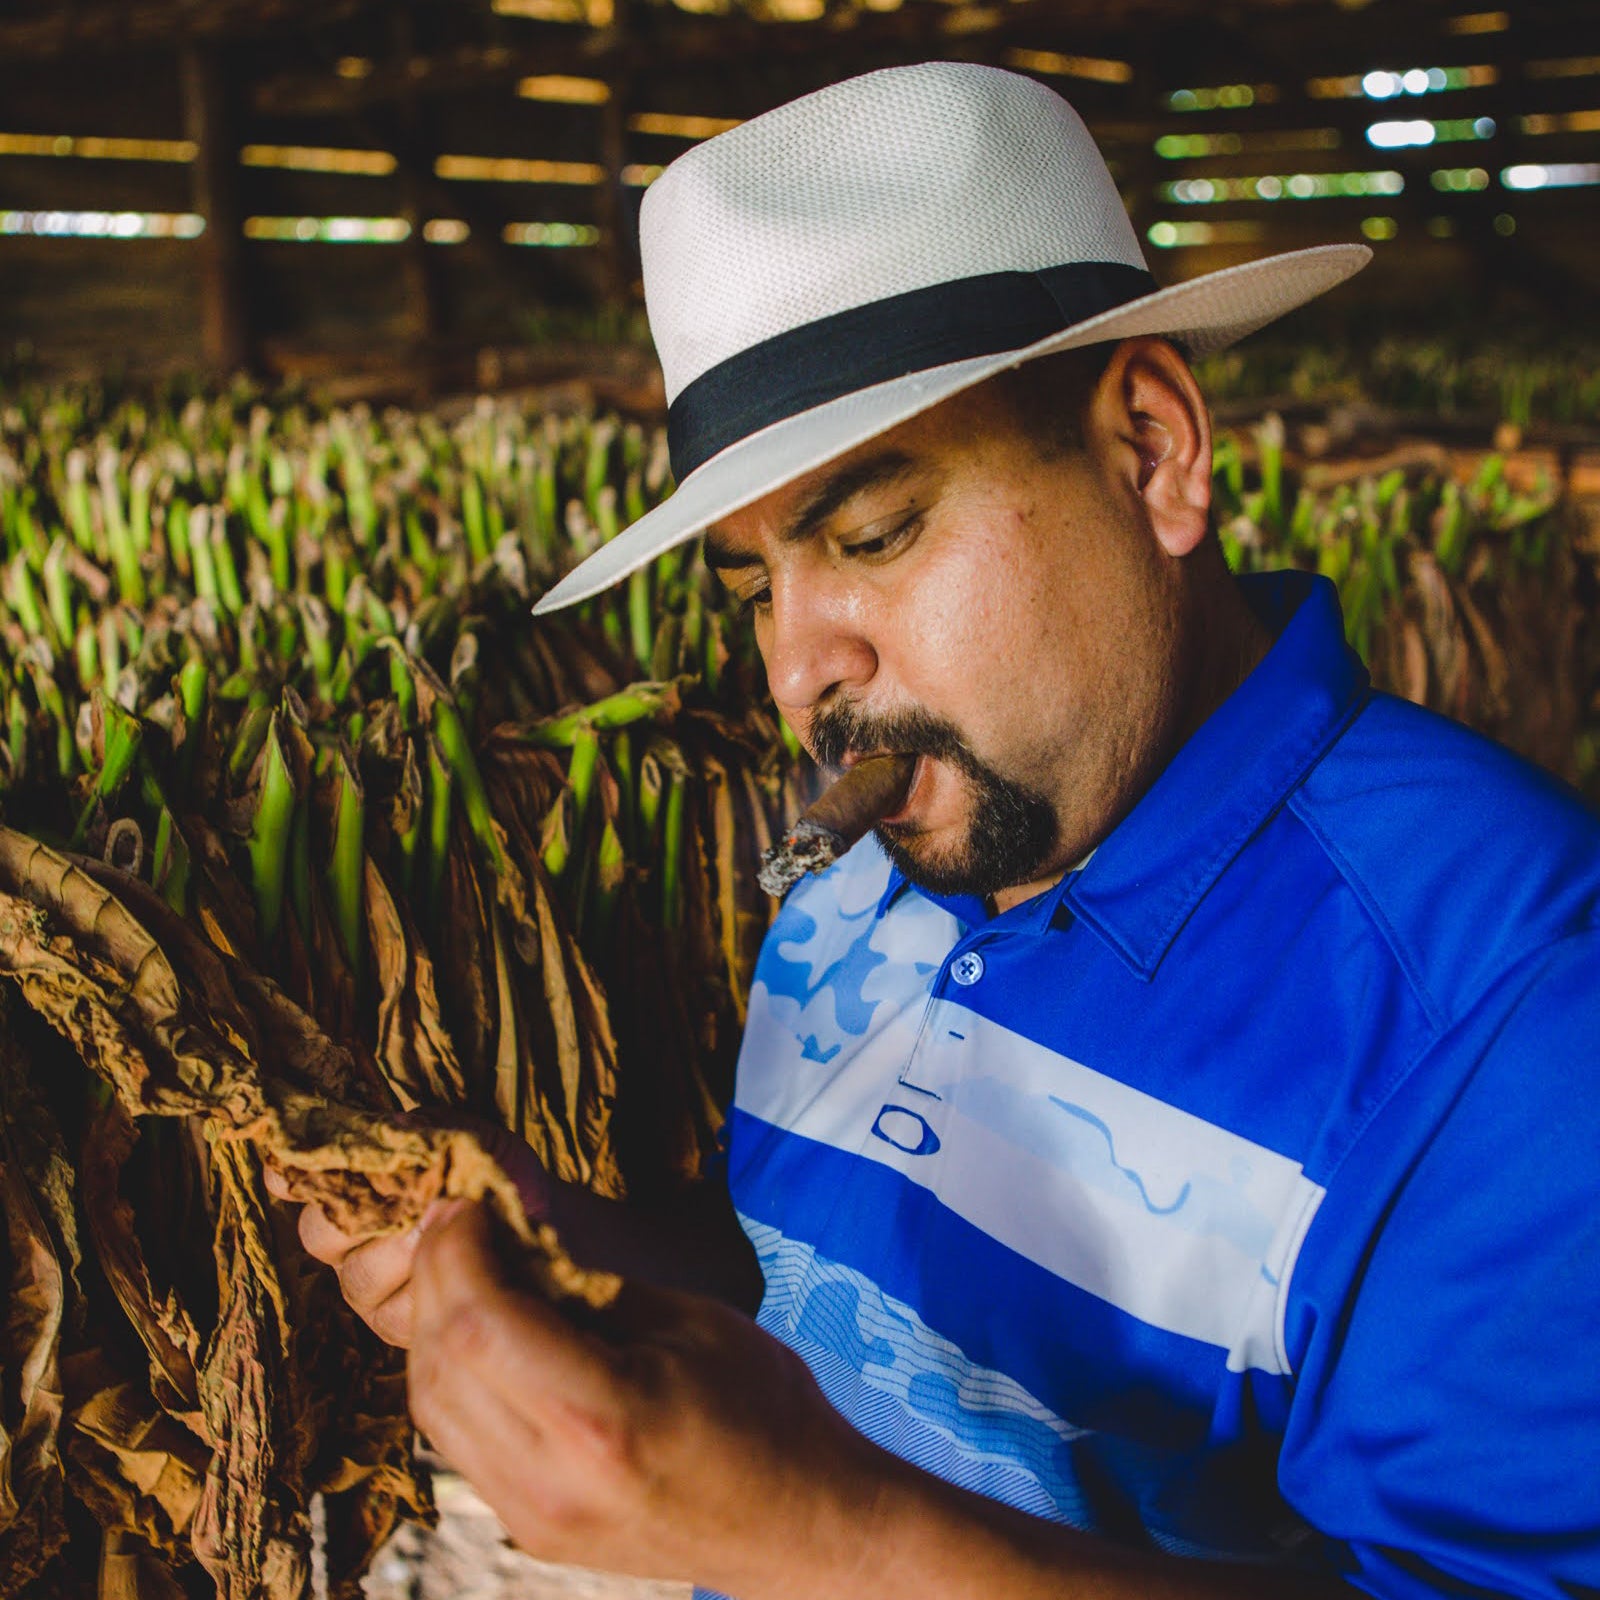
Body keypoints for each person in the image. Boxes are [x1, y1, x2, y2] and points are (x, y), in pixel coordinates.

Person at [267, 63, 1600, 1600]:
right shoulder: (864, 869)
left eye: (875, 531)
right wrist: (583, 1255)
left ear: (1152, 448)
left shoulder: (1513, 1024)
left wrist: (825, 1537)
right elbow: (844, 1312)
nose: (793, 669)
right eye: (756, 581)